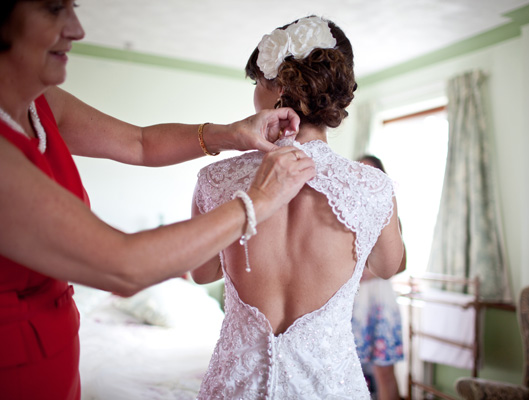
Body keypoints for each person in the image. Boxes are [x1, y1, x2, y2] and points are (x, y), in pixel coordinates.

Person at [0, 1, 316, 399]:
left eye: (72, 7)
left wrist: (231, 133)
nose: (77, 29)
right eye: (53, 8)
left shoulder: (43, 104)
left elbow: (140, 142)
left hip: (60, 350)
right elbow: (124, 266)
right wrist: (257, 202)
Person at [191, 16, 405, 399]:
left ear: (279, 88)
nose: (254, 94)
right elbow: (389, 266)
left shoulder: (215, 180)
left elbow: (203, 272)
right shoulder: (372, 187)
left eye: (257, 83)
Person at [352, 155, 407, 400]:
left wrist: (369, 273)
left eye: (372, 173)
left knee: (384, 371)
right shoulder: (343, 212)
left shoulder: (390, 216)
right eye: (360, 171)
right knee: (350, 371)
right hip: (352, 303)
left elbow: (402, 264)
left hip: (379, 301)